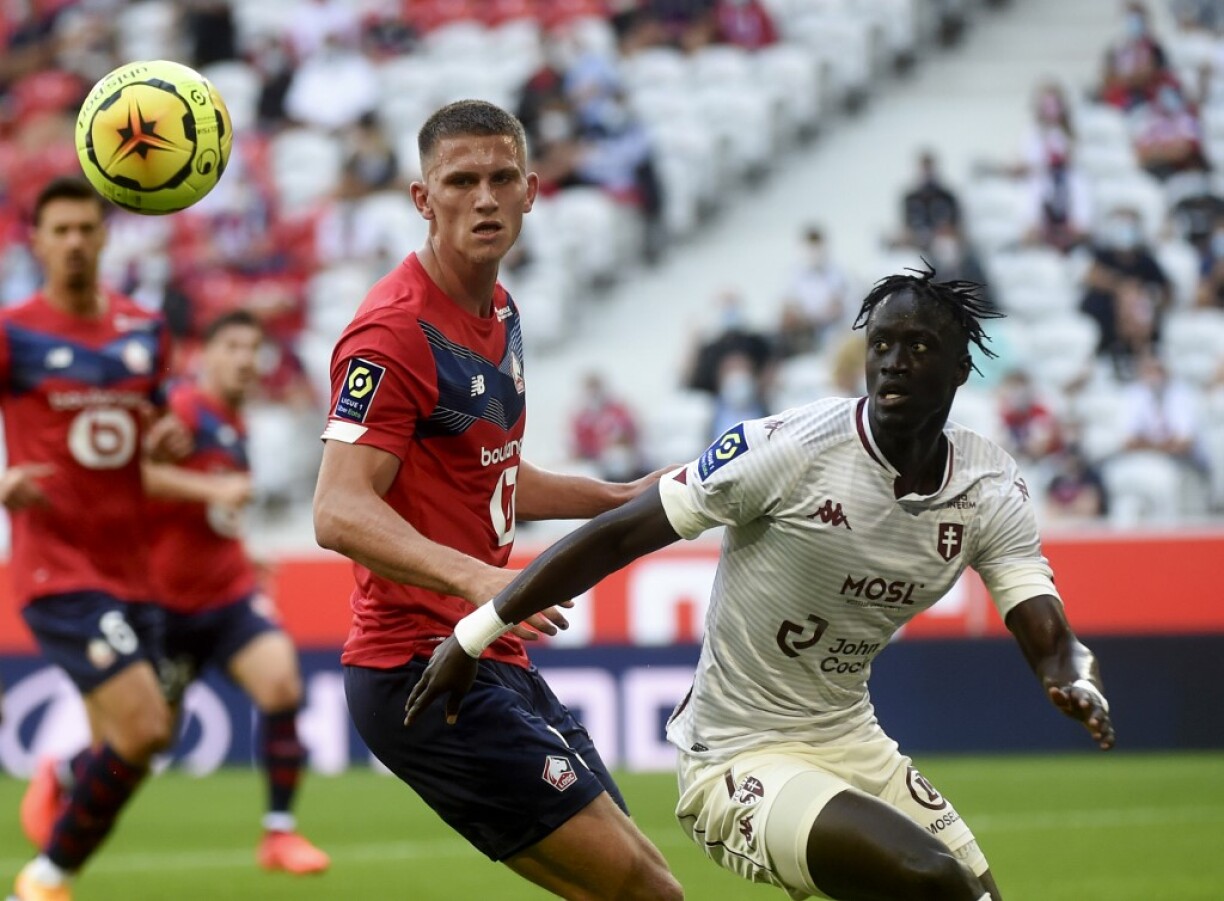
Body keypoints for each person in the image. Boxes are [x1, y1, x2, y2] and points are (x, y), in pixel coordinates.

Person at [408, 267, 1117, 901]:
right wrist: (475, 633)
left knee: (974, 894)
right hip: (736, 757)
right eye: (882, 344)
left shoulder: (988, 486)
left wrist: (1074, 678)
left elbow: (1046, 627)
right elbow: (622, 532)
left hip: (852, 741)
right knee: (928, 880)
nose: (894, 362)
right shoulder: (791, 448)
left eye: (919, 347)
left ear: (962, 370)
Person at [311, 100, 682, 901]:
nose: (484, 197)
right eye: (461, 180)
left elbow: (495, 472)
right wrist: (483, 582)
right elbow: (337, 509)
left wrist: (621, 496)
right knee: (650, 891)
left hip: (487, 650)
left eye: (500, 177)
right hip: (418, 667)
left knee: (625, 891)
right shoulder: (394, 334)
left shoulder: (501, 311)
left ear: (532, 191)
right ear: (422, 199)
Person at [3, 177, 190, 901]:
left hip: (135, 568)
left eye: (87, 227)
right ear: (38, 241)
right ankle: (43, 881)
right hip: (56, 565)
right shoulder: (14, 330)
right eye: (61, 230)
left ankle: (72, 776)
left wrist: (169, 436)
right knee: (143, 726)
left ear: (105, 235)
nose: (76, 241)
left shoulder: (145, 329)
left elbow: (154, 427)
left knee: (146, 740)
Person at [140, 309, 329, 874]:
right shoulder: (183, 409)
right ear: (207, 354)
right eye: (234, 347)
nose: (247, 359)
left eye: (254, 348)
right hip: (165, 605)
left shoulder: (235, 421)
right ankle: (69, 776)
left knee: (280, 684)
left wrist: (243, 550)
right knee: (146, 738)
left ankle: (279, 833)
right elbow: (133, 479)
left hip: (225, 594)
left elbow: (206, 512)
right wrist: (211, 487)